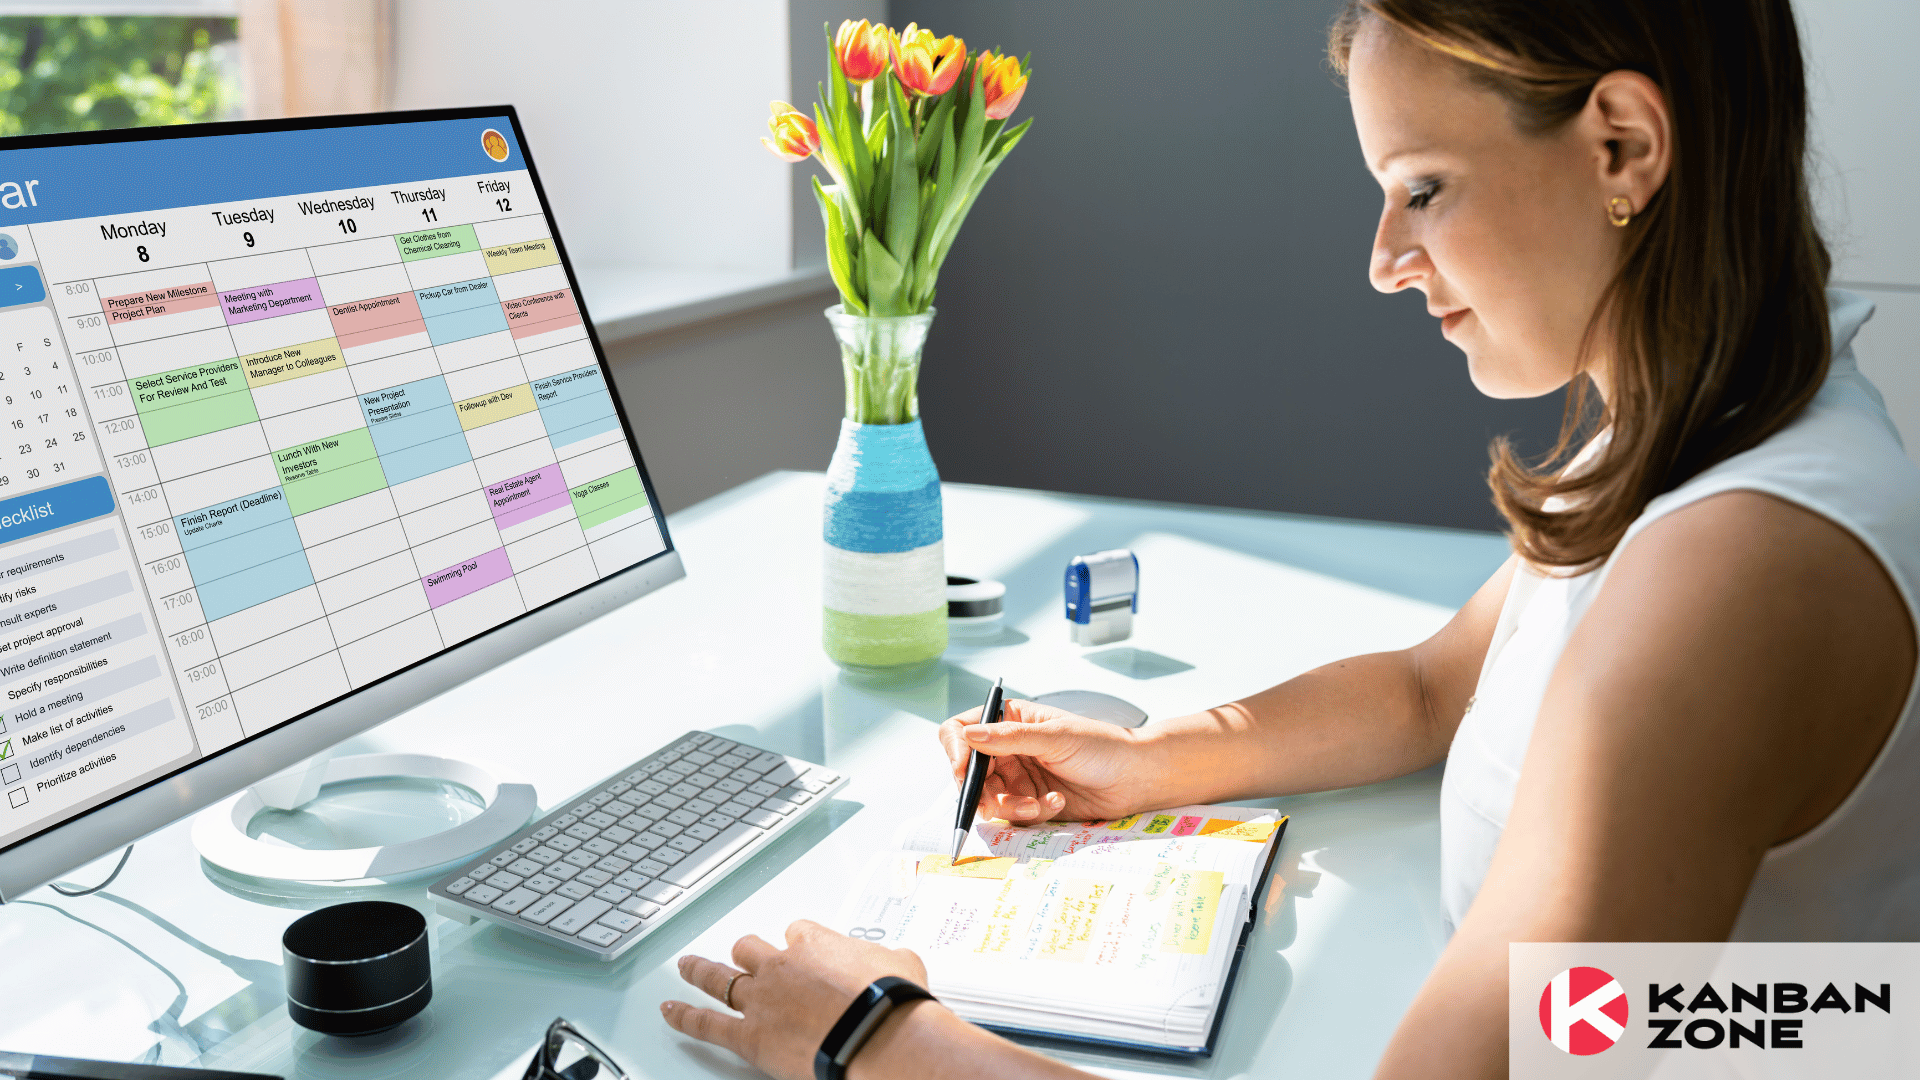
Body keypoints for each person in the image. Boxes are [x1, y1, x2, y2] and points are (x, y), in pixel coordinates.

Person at [661, 0, 1920, 1075]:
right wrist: (1151, 764)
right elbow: (1437, 687)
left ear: (1623, 147)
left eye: (1423, 188)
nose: (1383, 261)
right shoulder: (1710, 418)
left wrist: (883, 1038)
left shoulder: (1733, 571)